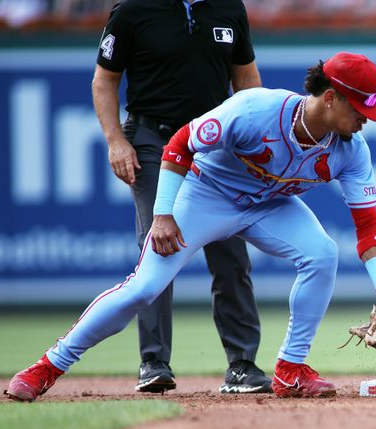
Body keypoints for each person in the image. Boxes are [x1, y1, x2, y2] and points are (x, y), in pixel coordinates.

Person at [6, 51, 376, 401]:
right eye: (359, 110)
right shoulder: (255, 110)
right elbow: (181, 143)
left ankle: (291, 369)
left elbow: (368, 224)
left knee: (321, 254)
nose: (365, 121)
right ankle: (48, 366)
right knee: (144, 288)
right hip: (207, 194)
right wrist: (162, 213)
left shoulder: (352, 151)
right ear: (331, 97)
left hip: (269, 204)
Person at [91, 0, 268, 394]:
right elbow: (104, 80)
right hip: (154, 138)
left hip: (216, 144)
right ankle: (153, 361)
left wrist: (253, 142)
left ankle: (241, 364)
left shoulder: (228, 7)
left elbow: (246, 80)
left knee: (230, 252)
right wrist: (115, 141)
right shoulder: (133, 10)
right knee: (159, 246)